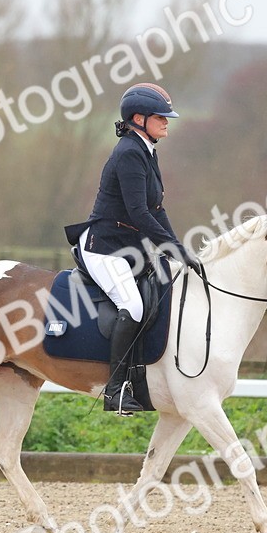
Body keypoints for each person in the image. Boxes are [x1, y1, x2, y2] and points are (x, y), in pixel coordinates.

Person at [64, 82, 202, 414]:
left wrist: (178, 248)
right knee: (133, 306)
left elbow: (156, 210)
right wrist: (171, 248)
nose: (166, 122)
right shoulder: (128, 153)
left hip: (127, 246)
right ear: (139, 119)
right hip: (103, 246)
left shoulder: (146, 150)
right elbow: (139, 213)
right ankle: (115, 391)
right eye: (160, 117)